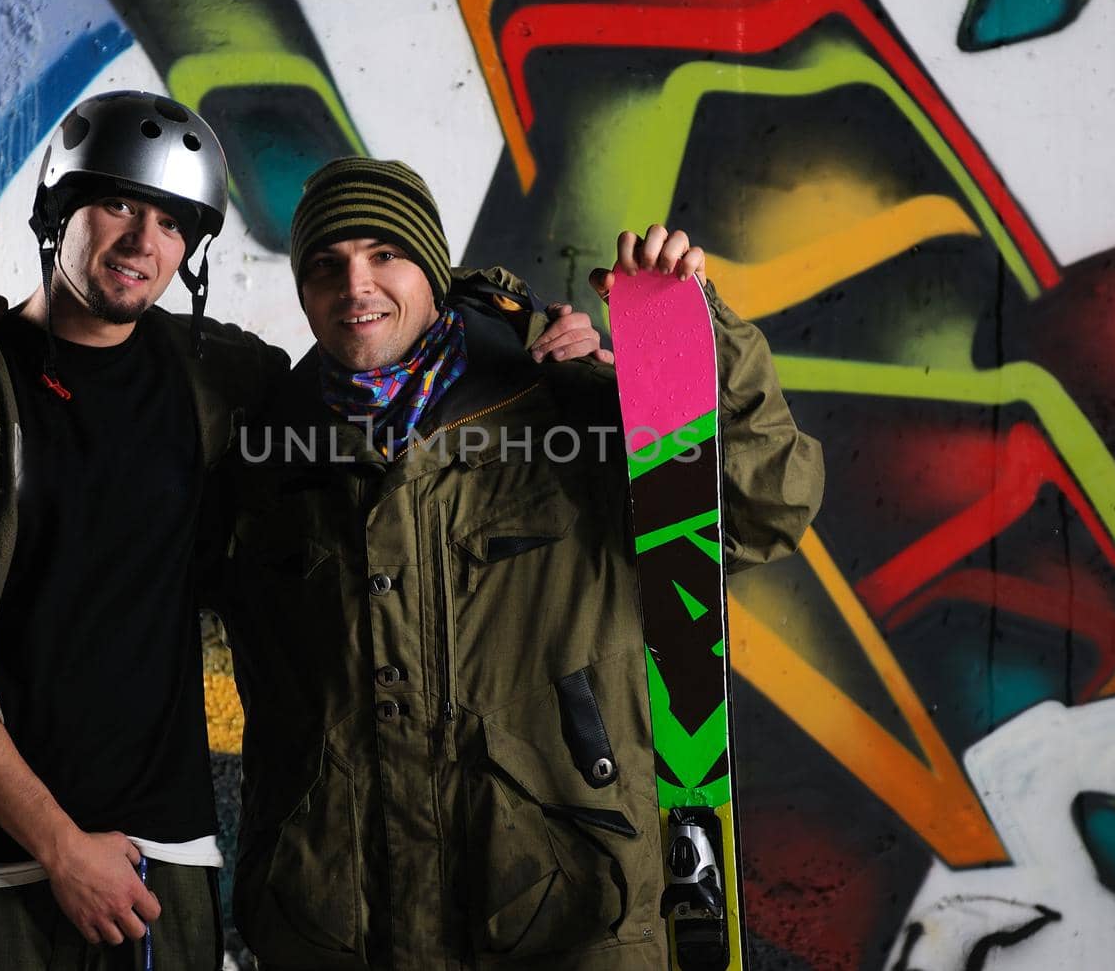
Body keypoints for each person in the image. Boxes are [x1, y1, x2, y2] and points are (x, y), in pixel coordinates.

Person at [0, 93, 601, 969]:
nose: (141, 241)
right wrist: (58, 843)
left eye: (171, 222)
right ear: (58, 208)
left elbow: (388, 347)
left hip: (167, 872)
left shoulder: (227, 383)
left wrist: (524, 324)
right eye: (119, 203)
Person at [218, 157, 825, 970]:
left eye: (384, 254)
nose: (354, 284)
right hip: (340, 931)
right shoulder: (270, 458)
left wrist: (699, 336)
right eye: (326, 265)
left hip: (568, 920)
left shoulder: (569, 408)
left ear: (433, 273)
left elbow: (764, 510)